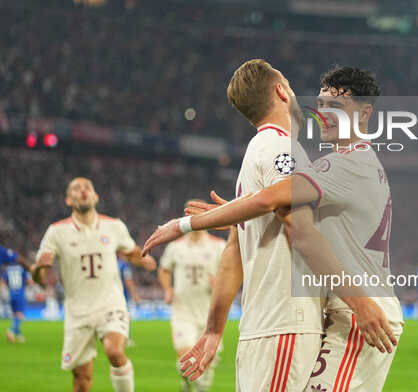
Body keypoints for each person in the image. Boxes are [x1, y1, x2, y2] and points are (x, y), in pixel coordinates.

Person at [143, 64, 402, 391]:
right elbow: (261, 215)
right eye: (321, 104)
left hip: (358, 311)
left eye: (336, 106)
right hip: (318, 315)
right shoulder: (306, 157)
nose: (323, 112)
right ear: (282, 92)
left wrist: (188, 223)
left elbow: (274, 203)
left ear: (365, 113)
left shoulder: (341, 164)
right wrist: (236, 212)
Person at [31, 177, 156, 392]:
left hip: (110, 305)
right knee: (82, 380)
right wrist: (38, 269)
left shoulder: (114, 226)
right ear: (68, 200)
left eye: (87, 187)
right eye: (76, 189)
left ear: (95, 196)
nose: (82, 191)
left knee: (115, 352)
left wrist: (143, 259)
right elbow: (40, 280)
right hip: (77, 312)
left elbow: (131, 252)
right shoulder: (56, 232)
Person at [158, 200, 225, 392]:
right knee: (185, 354)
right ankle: (187, 384)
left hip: (210, 314)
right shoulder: (176, 247)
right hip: (182, 311)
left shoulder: (218, 245)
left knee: (207, 360)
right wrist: (167, 289)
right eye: (190, 213)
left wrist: (219, 282)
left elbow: (231, 272)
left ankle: (198, 390)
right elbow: (164, 269)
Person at [3, 262, 32, 343]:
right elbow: (29, 281)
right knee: (21, 316)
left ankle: (19, 336)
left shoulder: (8, 269)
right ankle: (10, 330)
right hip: (20, 294)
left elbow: (3, 281)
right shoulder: (22, 269)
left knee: (16, 316)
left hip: (11, 294)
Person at [118, 258, 140, 347]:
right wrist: (134, 295)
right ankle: (125, 338)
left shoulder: (113, 262)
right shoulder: (125, 266)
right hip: (123, 295)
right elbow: (128, 281)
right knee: (125, 316)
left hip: (112, 294)